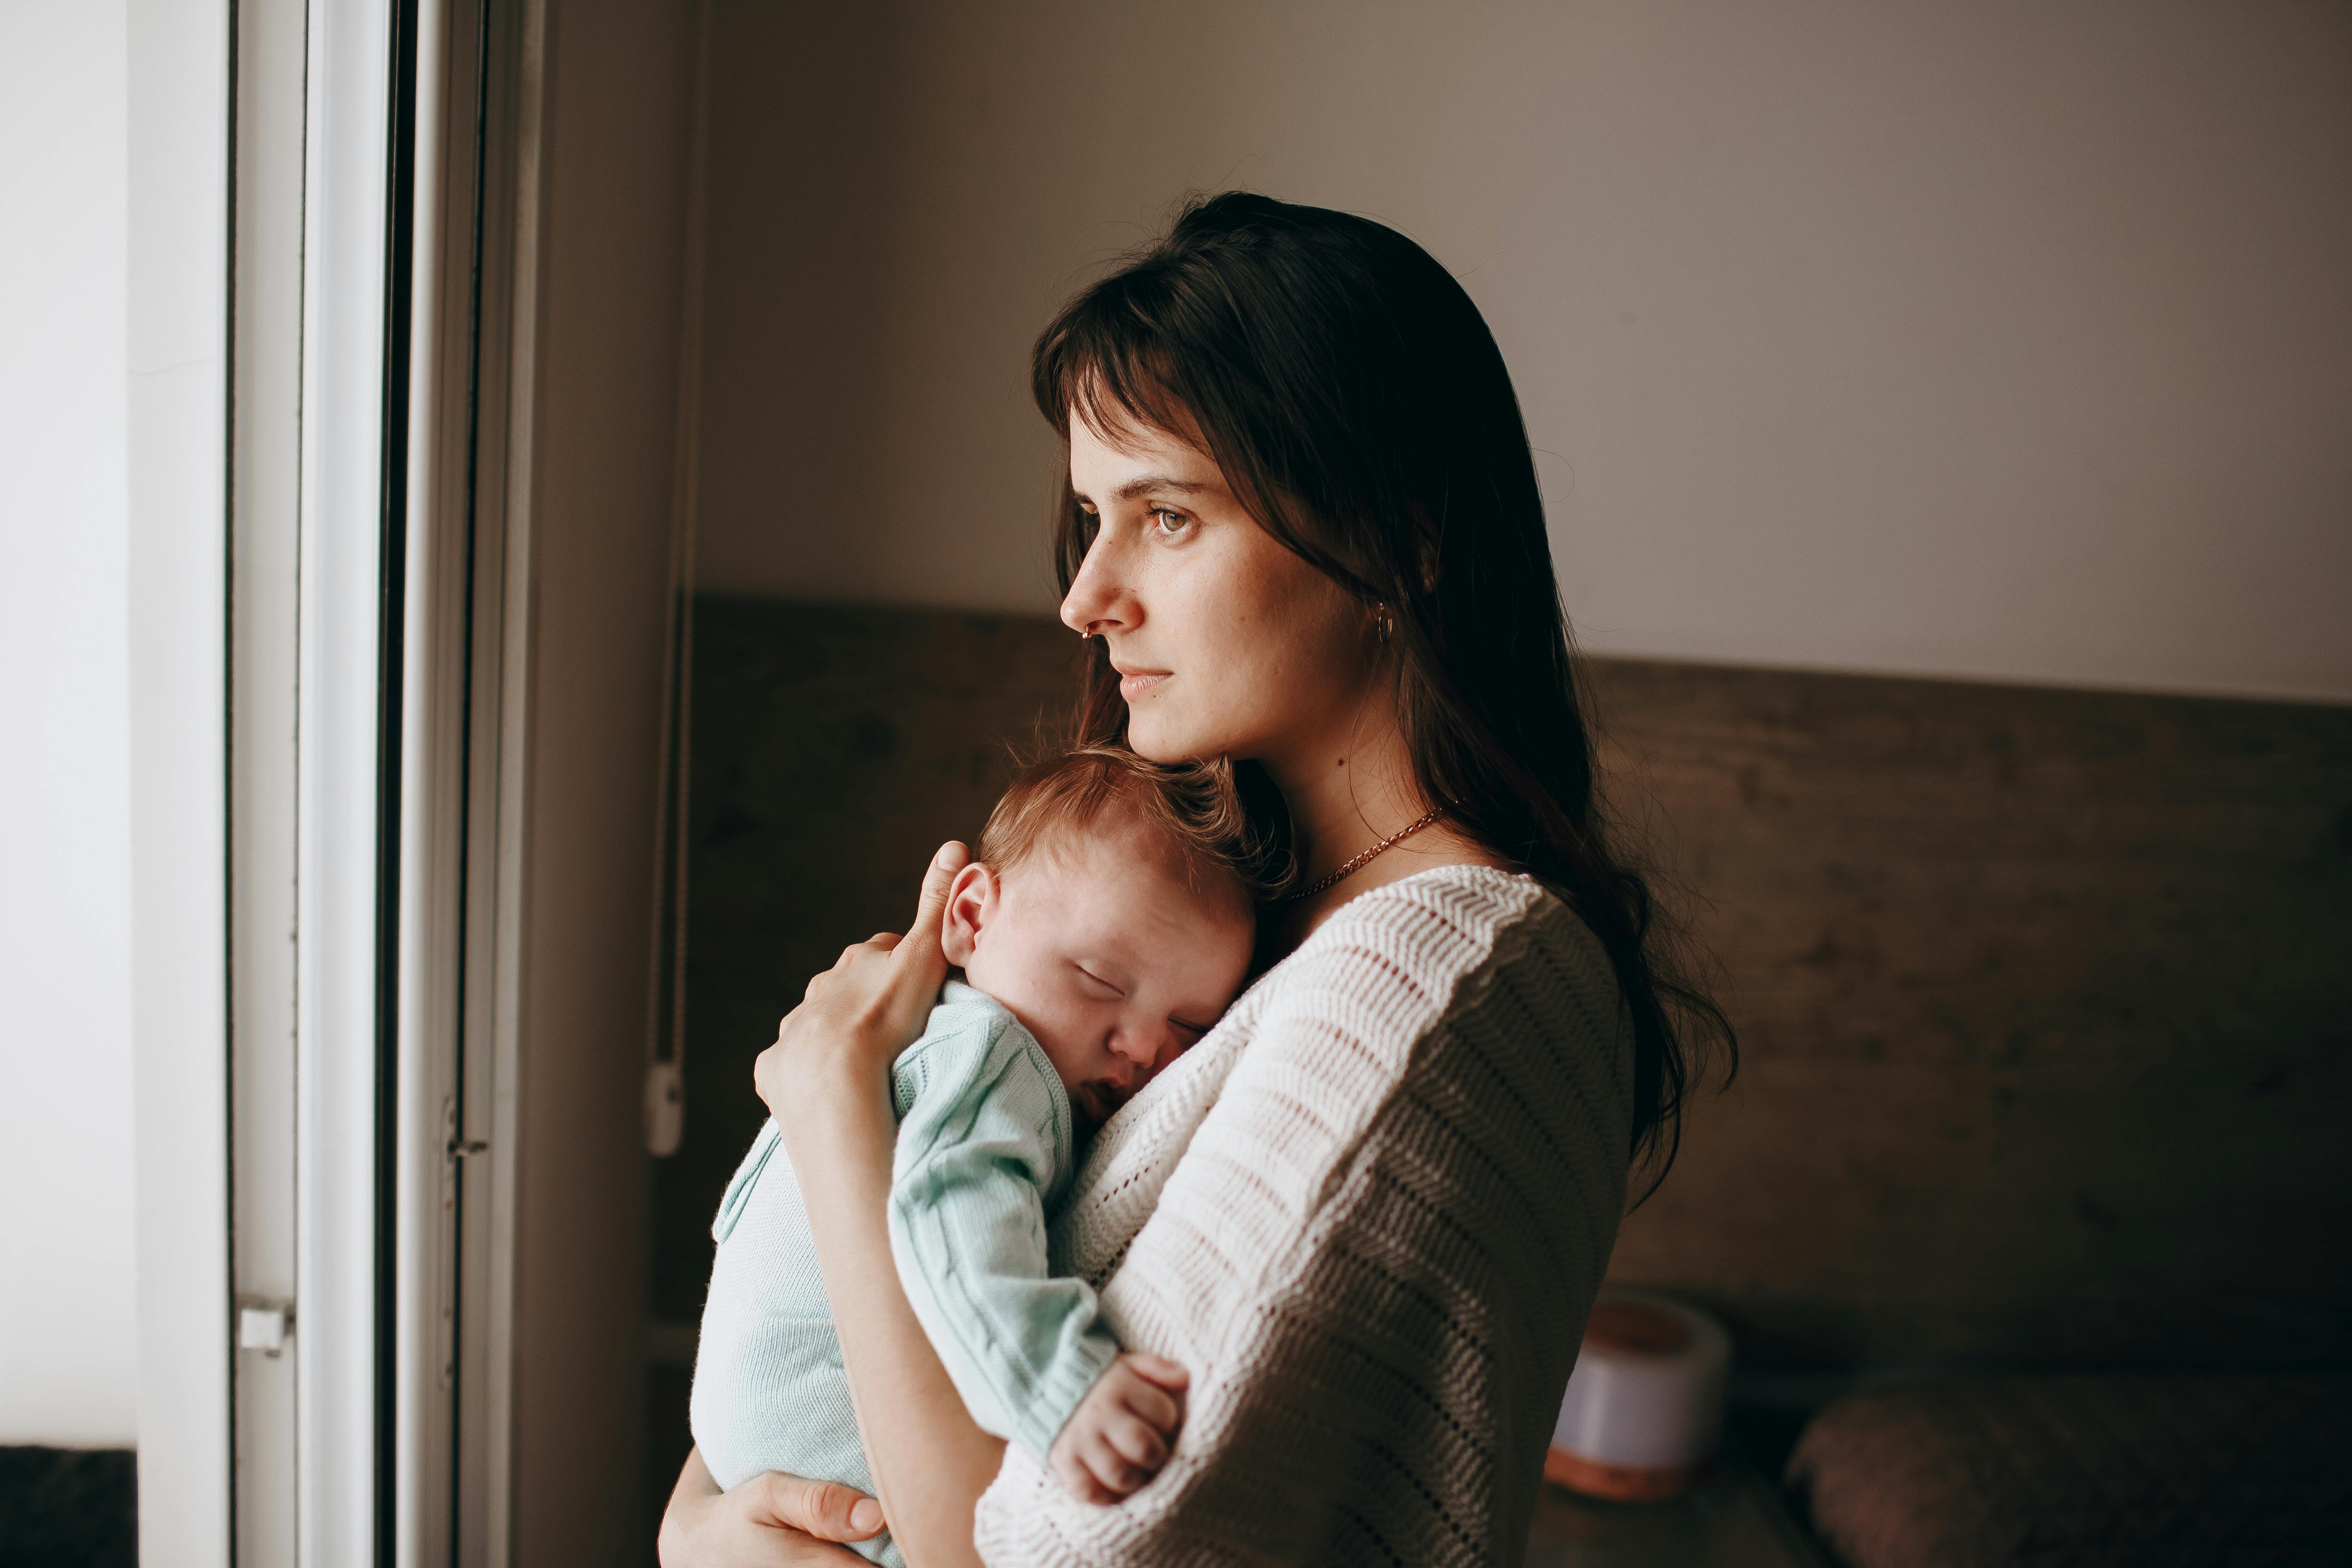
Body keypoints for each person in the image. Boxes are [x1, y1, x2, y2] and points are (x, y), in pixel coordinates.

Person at [659, 191, 1729, 1568]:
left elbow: (1022, 1551)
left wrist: (830, 1111)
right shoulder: (1221, 910)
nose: (1084, 595)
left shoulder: (1432, 994)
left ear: (1397, 540)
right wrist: (703, 1519)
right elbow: (848, 1334)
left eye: (1165, 516)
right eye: (1093, 515)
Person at [688, 747, 1267, 1567]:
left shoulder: (923, 1039)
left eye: (1191, 1027)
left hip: (752, 1448)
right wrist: (1063, 1389)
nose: (1142, 1046)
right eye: (1102, 979)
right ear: (969, 916)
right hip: (830, 1445)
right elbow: (958, 1221)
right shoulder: (997, 1052)